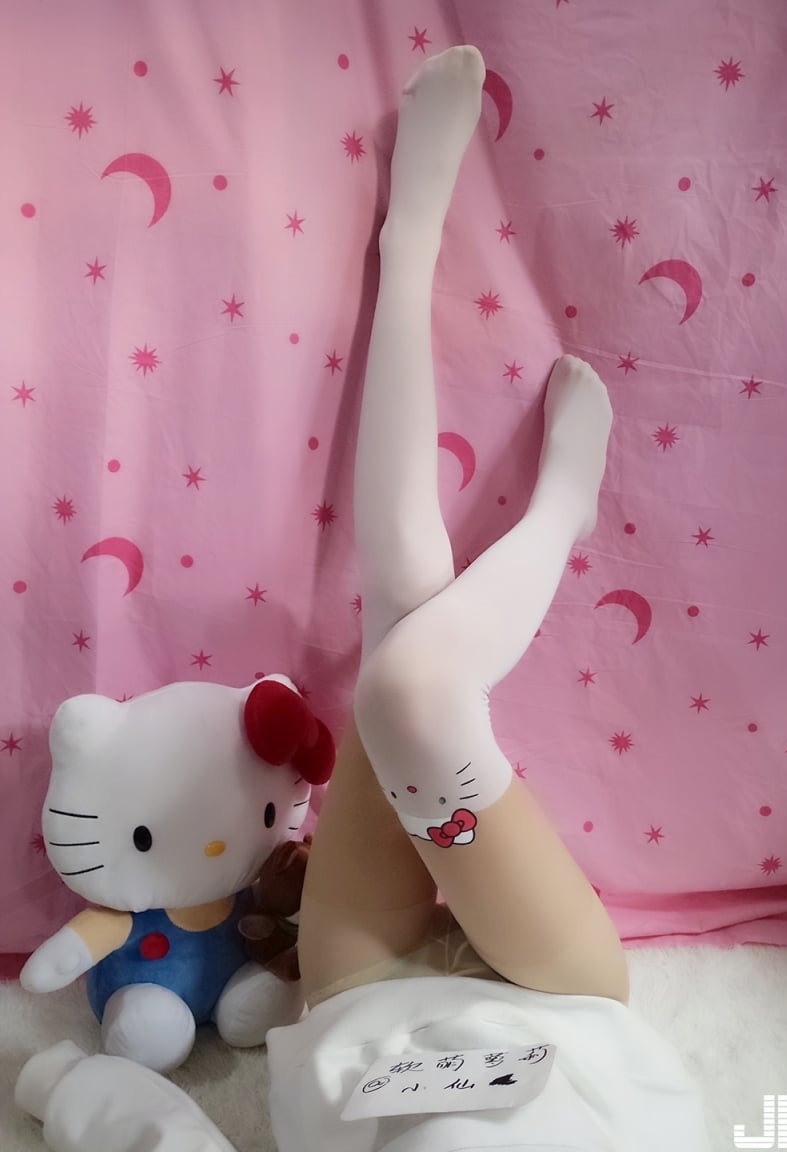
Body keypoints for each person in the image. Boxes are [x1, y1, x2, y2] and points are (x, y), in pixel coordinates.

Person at [14, 44, 710, 1152]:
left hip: (360, 1002)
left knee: (404, 622)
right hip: (567, 1011)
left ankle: (411, 253)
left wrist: (62, 1089)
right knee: (412, 690)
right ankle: (553, 511)